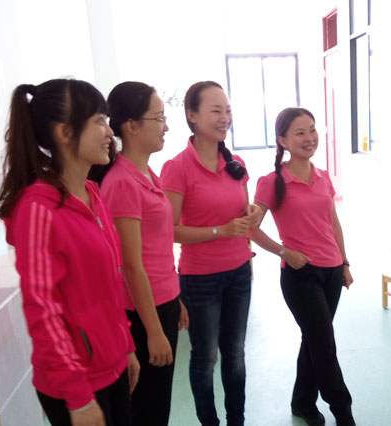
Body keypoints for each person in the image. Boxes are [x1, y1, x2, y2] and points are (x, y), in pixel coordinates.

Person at [0, 78, 140, 426]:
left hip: (112, 364)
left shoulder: (92, 192)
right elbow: (43, 311)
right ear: (64, 132)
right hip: (76, 385)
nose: (110, 132)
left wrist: (127, 347)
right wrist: (78, 397)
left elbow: (109, 284)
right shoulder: (38, 209)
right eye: (99, 121)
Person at [160, 81, 260, 426]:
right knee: (206, 358)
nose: (224, 118)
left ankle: (236, 419)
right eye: (216, 111)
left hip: (239, 273)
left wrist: (250, 215)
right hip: (200, 278)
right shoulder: (177, 167)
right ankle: (209, 422)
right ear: (192, 115)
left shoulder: (236, 164)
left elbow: (243, 211)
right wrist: (220, 231)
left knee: (235, 354)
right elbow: (169, 230)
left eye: (227, 110)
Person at [90, 81, 189, 426]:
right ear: (131, 126)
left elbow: (156, 250)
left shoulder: (146, 173)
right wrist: (154, 331)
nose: (166, 127)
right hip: (143, 313)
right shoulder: (122, 183)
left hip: (162, 301)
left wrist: (174, 298)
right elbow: (131, 266)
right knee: (148, 410)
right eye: (158, 118)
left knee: (157, 404)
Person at [249, 107, 356, 426]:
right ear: (283, 140)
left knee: (314, 340)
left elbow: (333, 223)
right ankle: (344, 413)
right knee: (324, 345)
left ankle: (302, 403)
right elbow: (251, 229)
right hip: (300, 274)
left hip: (332, 271)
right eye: (300, 132)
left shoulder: (323, 176)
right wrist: (285, 252)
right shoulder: (272, 181)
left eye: (312, 130)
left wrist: (344, 263)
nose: (309, 138)